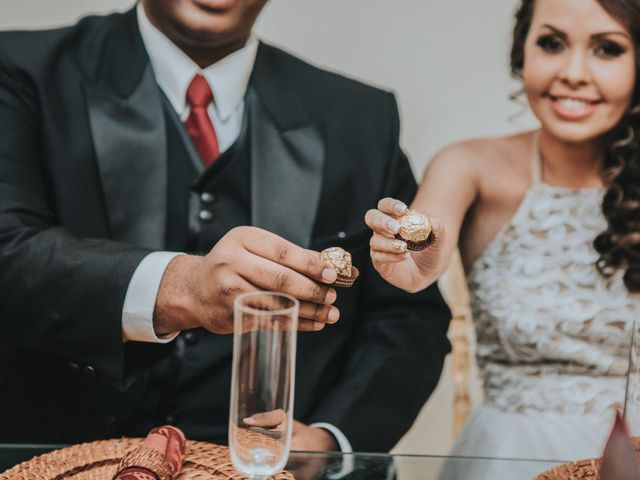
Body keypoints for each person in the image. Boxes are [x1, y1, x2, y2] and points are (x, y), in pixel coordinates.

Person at [0, 0, 452, 451]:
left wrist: (332, 438)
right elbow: (10, 251)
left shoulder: (359, 117)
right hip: (52, 456)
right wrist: (181, 287)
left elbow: (406, 317)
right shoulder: (22, 71)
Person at [365, 0, 640, 468]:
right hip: (507, 459)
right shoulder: (470, 166)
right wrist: (418, 254)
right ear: (521, 53)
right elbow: (429, 235)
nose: (573, 72)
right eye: (552, 44)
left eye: (607, 49)